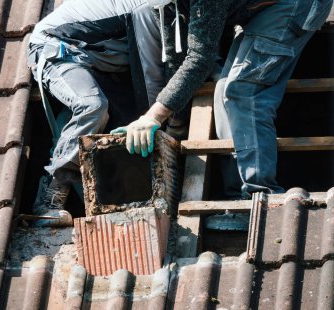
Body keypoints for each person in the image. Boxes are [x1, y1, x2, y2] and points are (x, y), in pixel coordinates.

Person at [112, 0, 333, 199]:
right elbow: (176, 58)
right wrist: (174, 124)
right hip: (261, 10)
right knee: (222, 91)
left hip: (295, 4)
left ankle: (261, 194)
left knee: (242, 91)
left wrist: (153, 116)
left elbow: (200, 58)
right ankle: (236, 194)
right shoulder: (162, 4)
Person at [27, 0, 166, 226]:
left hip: (100, 62)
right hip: (58, 48)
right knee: (91, 106)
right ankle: (49, 199)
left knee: (121, 123)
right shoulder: (148, 8)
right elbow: (151, 76)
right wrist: (158, 120)